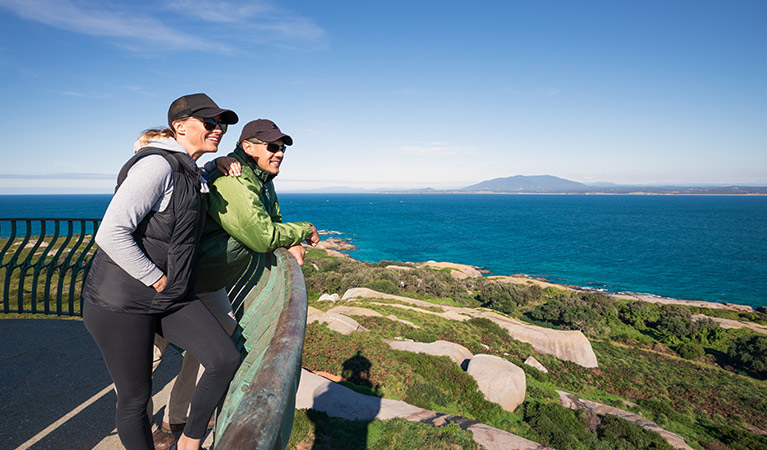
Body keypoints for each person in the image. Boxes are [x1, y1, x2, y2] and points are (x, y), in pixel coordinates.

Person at [82, 93, 242, 450]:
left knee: (223, 357)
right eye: (211, 122)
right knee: (136, 398)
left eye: (223, 125)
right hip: (120, 301)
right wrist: (155, 277)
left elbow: (189, 185)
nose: (219, 129)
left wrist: (217, 164)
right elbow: (110, 232)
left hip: (167, 296)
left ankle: (190, 439)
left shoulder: (186, 168)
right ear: (180, 127)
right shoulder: (156, 166)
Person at [152, 118, 320, 439]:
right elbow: (261, 235)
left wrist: (290, 239)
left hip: (207, 282)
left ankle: (178, 417)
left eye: (282, 148)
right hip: (181, 281)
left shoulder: (262, 178)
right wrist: (303, 230)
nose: (280, 153)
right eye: (272, 146)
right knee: (151, 358)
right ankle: (137, 424)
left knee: (214, 346)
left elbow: (273, 220)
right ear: (248, 147)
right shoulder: (235, 178)